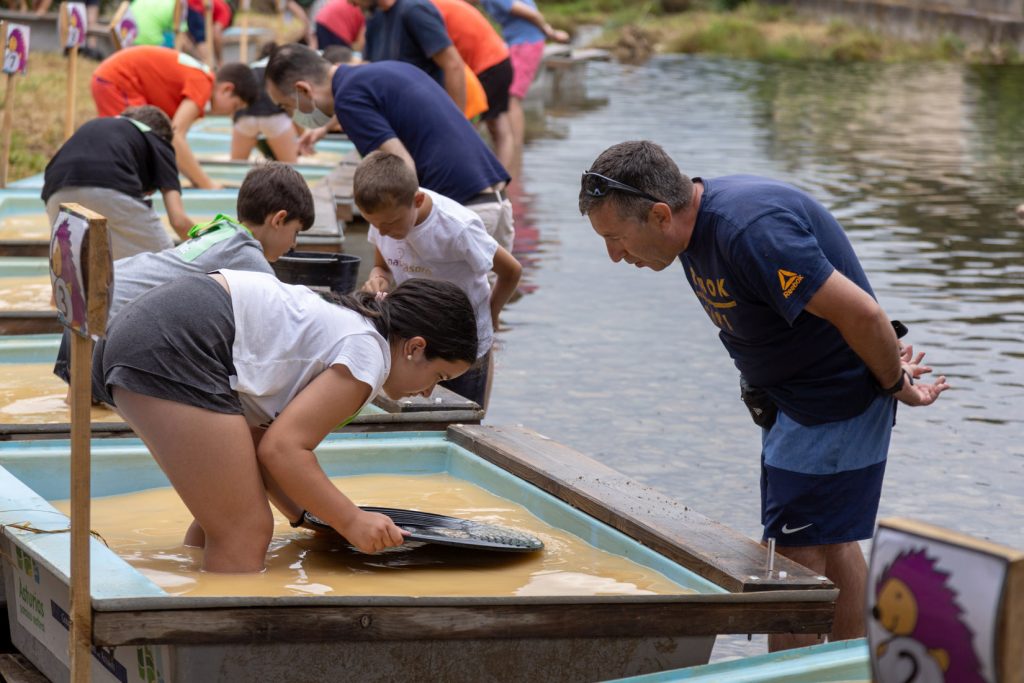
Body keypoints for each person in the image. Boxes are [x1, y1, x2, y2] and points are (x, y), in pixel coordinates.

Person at [578, 140, 949, 651]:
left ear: (660, 214)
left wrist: (893, 383)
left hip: (829, 406)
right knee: (832, 539)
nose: (615, 256)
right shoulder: (693, 229)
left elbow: (863, 315)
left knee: (790, 567)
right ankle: (850, 667)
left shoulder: (749, 230)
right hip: (797, 404)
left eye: (616, 238)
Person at [91, 273, 478, 572]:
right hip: (173, 343)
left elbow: (262, 446)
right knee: (245, 532)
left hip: (148, 330)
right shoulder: (368, 355)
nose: (429, 393)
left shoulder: (348, 325)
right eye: (439, 378)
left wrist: (305, 517)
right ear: (414, 348)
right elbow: (284, 451)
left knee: (223, 515)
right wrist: (351, 520)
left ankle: (192, 585)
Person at [54, 161, 315, 387]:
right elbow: (288, 321)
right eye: (296, 232)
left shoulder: (220, 232)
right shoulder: (246, 255)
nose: (294, 244)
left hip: (85, 312)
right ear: (278, 220)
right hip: (110, 338)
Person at [265, 43, 515, 254]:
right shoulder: (381, 72)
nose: (292, 115)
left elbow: (401, 171)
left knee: (429, 307)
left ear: (303, 89)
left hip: (461, 215)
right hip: (496, 203)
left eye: (286, 106)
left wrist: (383, 261)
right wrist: (325, 128)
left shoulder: (348, 101)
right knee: (482, 310)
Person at [355, 151, 521, 408]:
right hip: (418, 338)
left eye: (390, 223)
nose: (383, 232)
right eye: (375, 225)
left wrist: (492, 314)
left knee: (461, 415)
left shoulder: (457, 227)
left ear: (418, 200)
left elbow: (511, 270)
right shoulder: (382, 218)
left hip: (464, 342)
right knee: (415, 414)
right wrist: (379, 278)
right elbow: (381, 266)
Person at [91, 45, 259, 190]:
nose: (231, 113)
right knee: (130, 140)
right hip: (117, 80)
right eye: (235, 106)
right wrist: (205, 183)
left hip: (115, 78)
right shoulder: (203, 84)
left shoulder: (202, 78)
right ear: (227, 90)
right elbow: (175, 136)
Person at [42, 105, 192, 260]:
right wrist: (207, 247)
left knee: (82, 271)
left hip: (56, 194)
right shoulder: (157, 141)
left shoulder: (95, 127)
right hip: (112, 188)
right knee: (165, 262)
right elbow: (178, 220)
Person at [477, 0, 568, 178]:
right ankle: (512, 148)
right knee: (508, 95)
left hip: (526, 44)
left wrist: (551, 33)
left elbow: (531, 13)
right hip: (517, 43)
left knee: (511, 96)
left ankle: (516, 149)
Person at [430, 0, 515, 170]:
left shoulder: (423, 9)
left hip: (487, 65)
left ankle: (490, 181)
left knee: (467, 131)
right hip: (500, 58)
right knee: (498, 127)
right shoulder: (439, 4)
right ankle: (503, 181)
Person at [353, 0, 468, 111]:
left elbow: (453, 64)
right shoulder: (374, 17)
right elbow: (369, 67)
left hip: (426, 115)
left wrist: (455, 121)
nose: (350, 2)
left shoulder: (413, 10)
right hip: (397, 118)